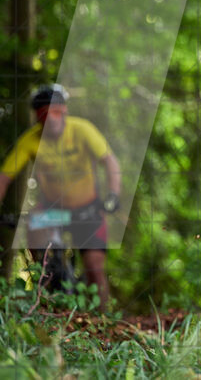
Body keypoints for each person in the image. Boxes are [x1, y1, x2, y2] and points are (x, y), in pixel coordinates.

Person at [0, 84, 121, 309]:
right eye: (44, 114)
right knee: (34, 229)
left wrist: (113, 195)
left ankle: (105, 318)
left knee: (95, 267)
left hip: (88, 210)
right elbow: (4, 177)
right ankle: (44, 304)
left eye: (56, 112)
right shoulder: (31, 140)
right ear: (38, 118)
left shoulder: (82, 129)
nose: (51, 119)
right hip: (53, 211)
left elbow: (110, 162)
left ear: (64, 111)